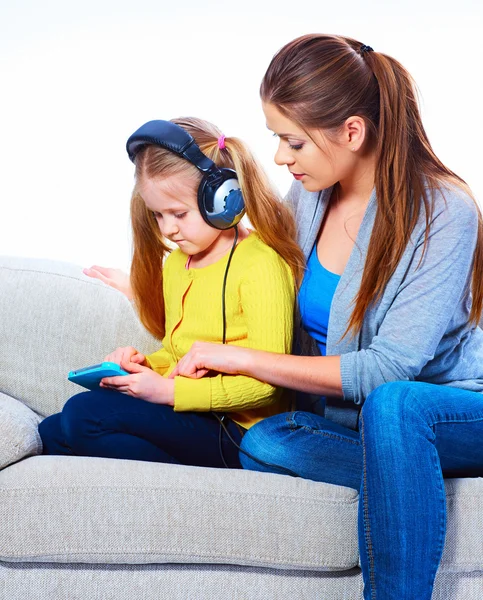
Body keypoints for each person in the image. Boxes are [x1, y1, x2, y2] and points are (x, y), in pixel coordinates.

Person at [164, 35, 483, 600]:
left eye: (292, 142)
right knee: (264, 439)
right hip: (350, 426)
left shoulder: (445, 211)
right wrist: (180, 272)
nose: (281, 159)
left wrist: (243, 358)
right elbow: (261, 269)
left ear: (352, 132)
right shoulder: (311, 194)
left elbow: (389, 370)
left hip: (454, 408)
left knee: (397, 403)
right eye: (276, 141)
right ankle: (406, 474)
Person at [38, 116, 304, 470]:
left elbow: (269, 385)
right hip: (193, 413)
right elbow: (177, 351)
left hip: (240, 432)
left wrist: (170, 392)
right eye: (158, 215)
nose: (169, 229)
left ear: (222, 199)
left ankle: (189, 488)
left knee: (82, 416)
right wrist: (144, 366)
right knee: (51, 431)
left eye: (178, 213)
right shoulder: (178, 264)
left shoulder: (260, 265)